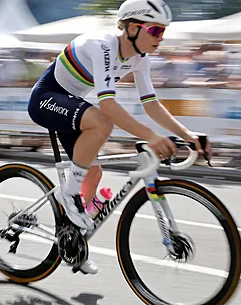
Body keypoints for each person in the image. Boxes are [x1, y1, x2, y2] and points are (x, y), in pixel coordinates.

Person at [27, 0, 211, 275]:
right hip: (46, 99)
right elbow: (109, 105)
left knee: (93, 173)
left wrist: (186, 134)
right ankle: (69, 194)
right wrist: (151, 137)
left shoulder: (139, 58)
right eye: (156, 31)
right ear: (134, 28)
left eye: (163, 31)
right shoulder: (104, 45)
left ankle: (72, 241)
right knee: (102, 122)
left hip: (73, 104)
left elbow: (151, 104)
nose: (161, 38)